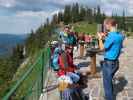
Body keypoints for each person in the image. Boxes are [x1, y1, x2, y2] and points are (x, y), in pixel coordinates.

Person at [98, 18, 124, 100]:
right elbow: (113, 42)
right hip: (116, 63)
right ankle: (110, 95)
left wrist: (99, 38)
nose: (105, 27)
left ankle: (109, 97)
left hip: (109, 63)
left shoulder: (111, 36)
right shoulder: (120, 36)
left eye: (105, 25)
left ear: (109, 24)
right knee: (109, 82)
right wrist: (105, 37)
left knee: (107, 84)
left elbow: (102, 48)